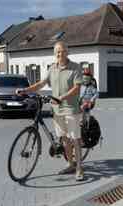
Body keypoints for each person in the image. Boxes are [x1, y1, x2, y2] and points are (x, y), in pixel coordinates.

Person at [15, 41, 85, 181]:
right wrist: (25, 90)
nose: (60, 54)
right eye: (58, 52)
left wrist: (61, 98)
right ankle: (70, 164)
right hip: (57, 110)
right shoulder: (52, 68)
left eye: (63, 51)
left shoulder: (76, 68)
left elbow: (77, 88)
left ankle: (79, 168)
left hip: (71, 109)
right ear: (55, 54)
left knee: (75, 140)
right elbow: (41, 83)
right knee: (65, 140)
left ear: (67, 52)